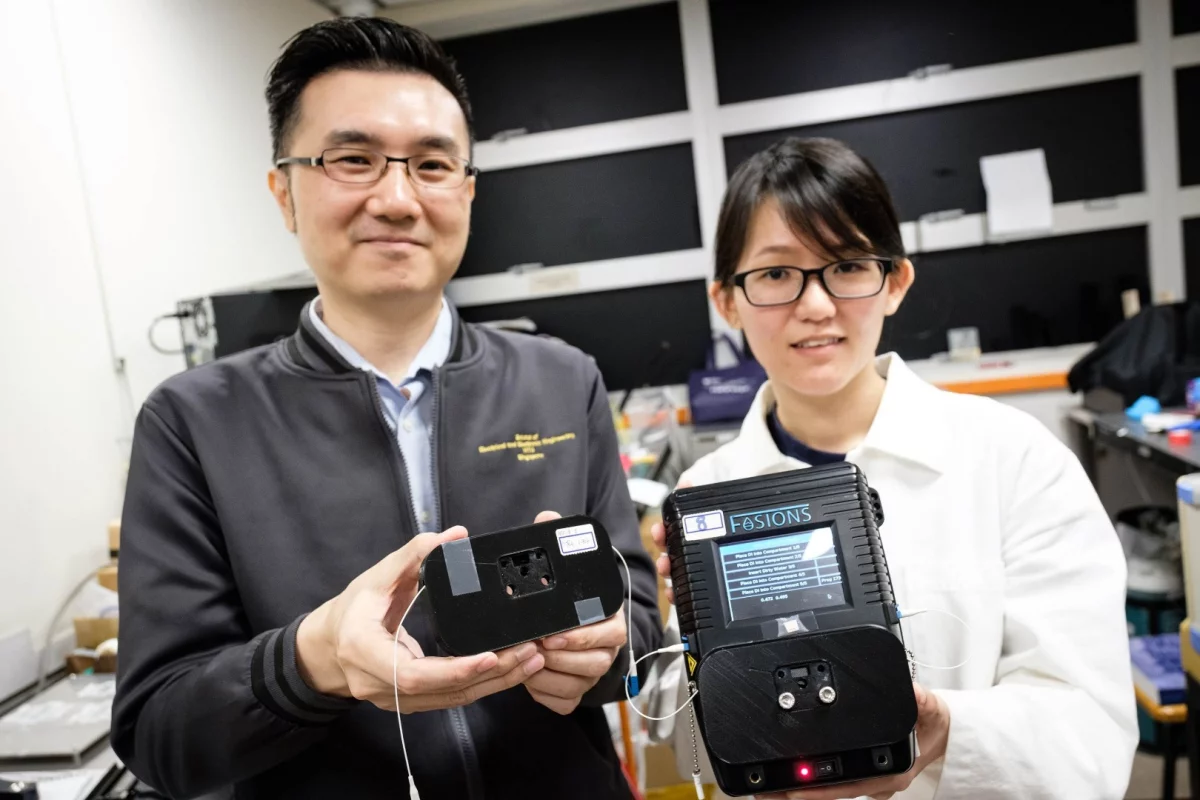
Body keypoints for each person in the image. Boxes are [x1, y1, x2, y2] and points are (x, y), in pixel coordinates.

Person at [111, 17, 661, 800]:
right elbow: (160, 736)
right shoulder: (192, 423)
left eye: (432, 164)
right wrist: (312, 661)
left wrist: (608, 652)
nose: (398, 198)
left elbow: (640, 625)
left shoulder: (562, 380)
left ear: (466, 192)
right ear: (284, 192)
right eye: (353, 159)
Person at [649, 137, 1137, 799]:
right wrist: (677, 638)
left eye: (847, 265)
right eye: (775, 274)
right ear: (727, 300)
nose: (815, 304)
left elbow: (1091, 736)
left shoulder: (1014, 458)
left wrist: (948, 731)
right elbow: (692, 755)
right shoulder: (704, 496)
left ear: (896, 281)